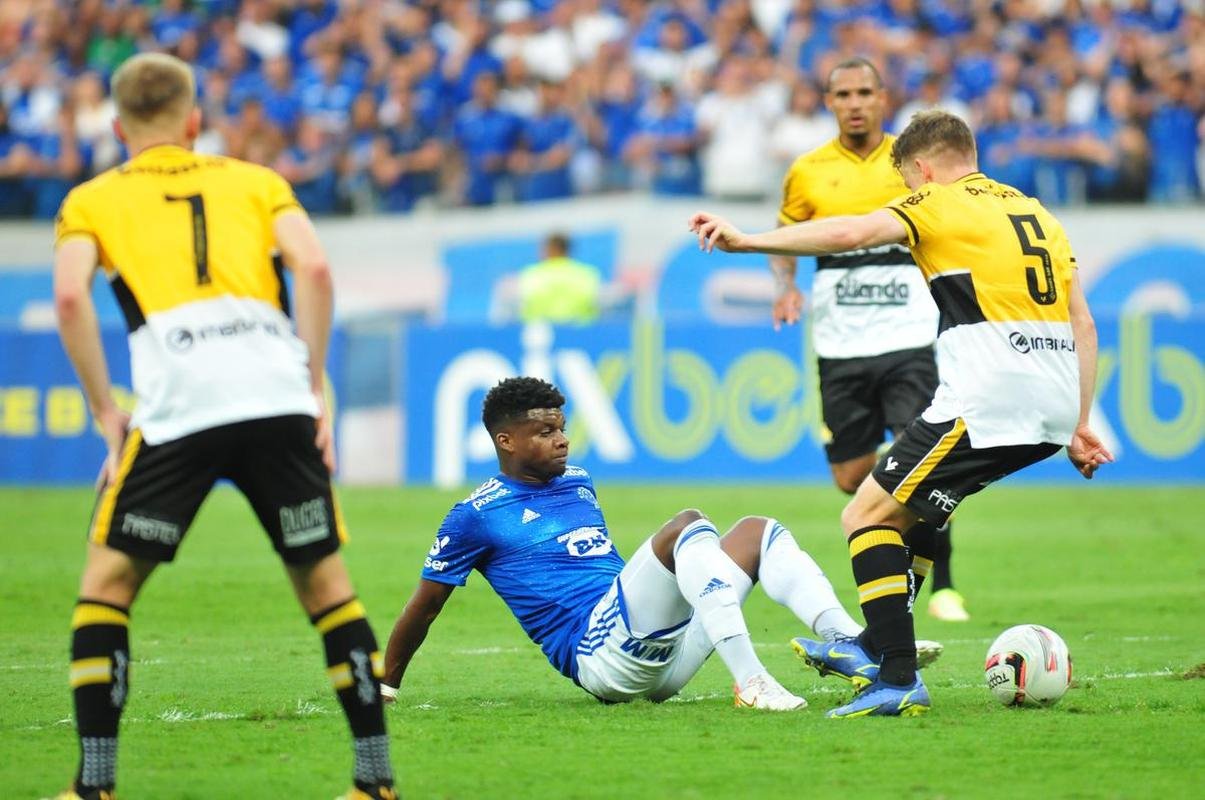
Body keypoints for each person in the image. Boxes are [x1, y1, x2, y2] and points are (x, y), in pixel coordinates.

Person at [689, 109, 1113, 717]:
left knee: (862, 516)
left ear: (921, 168)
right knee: (910, 516)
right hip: (1048, 402)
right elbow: (1084, 321)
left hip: (989, 399)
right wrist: (1077, 421)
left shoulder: (940, 201)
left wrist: (747, 240)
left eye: (910, 186)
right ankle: (875, 643)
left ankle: (897, 674)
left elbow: (847, 234)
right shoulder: (1036, 212)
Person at [50, 53, 395, 799]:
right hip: (274, 395)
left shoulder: (91, 200)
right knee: (329, 589)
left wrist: (107, 412)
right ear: (196, 122)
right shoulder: (256, 182)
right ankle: (374, 783)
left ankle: (93, 787)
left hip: (179, 403)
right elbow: (316, 269)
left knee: (107, 587)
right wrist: (312, 387)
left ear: (117, 127)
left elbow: (71, 301)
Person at [380, 377, 942, 710]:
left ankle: (852, 642)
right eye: (545, 431)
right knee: (686, 525)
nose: (562, 438)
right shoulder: (475, 516)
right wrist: (385, 685)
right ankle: (751, 681)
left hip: (657, 655)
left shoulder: (577, 480)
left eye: (561, 426)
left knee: (756, 532)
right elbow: (426, 605)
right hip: (597, 658)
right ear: (505, 440)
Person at [771, 57, 969, 623]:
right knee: (852, 477)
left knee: (919, 463)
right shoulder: (807, 171)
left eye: (864, 92)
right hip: (839, 346)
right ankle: (905, 532)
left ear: (883, 98)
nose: (855, 102)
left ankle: (944, 588)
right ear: (828, 101)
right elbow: (787, 241)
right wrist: (785, 287)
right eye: (843, 94)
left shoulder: (914, 165)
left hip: (910, 339)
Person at [516, 233, 602, 324]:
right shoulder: (587, 274)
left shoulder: (531, 274)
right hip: (581, 333)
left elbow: (523, 308)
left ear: (549, 249)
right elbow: (595, 307)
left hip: (541, 333)